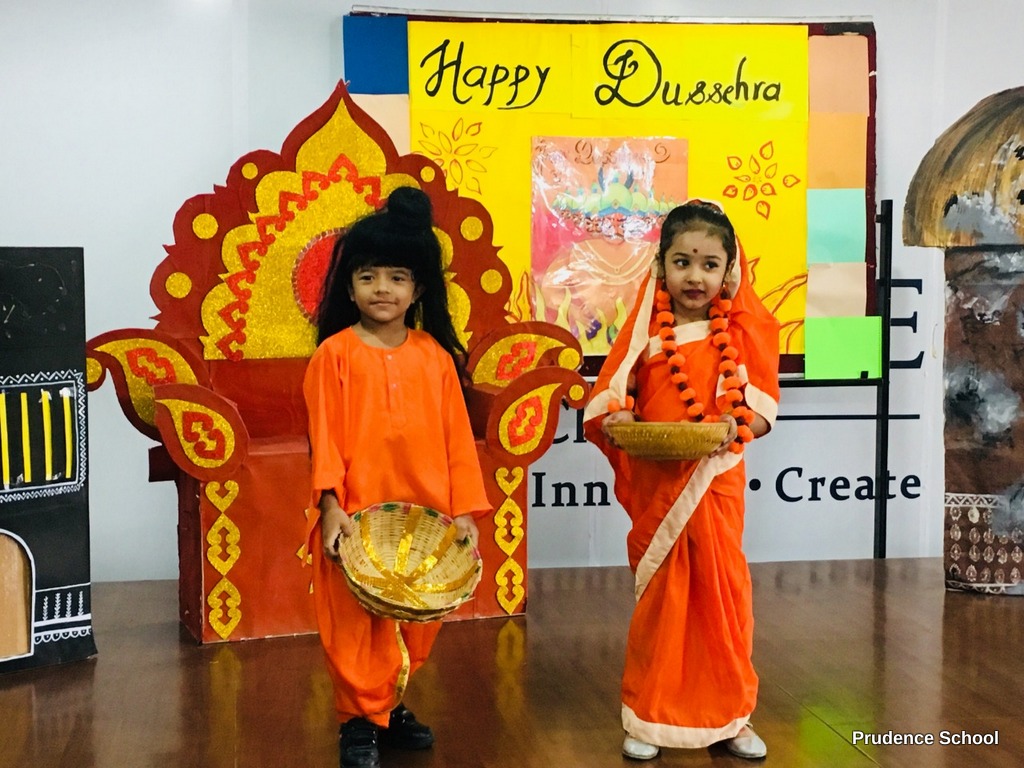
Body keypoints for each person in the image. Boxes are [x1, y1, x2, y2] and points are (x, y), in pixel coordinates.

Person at [583, 200, 780, 761]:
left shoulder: (740, 331)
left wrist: (737, 427)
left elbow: (761, 411)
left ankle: (731, 716)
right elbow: (613, 396)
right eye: (683, 262)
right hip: (661, 484)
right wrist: (620, 416)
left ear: (729, 270)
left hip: (717, 481)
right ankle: (649, 717)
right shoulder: (647, 331)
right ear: (660, 266)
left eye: (710, 264)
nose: (696, 276)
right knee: (664, 601)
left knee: (724, 596)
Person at [303, 186, 490, 768]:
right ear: (348, 287)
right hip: (357, 515)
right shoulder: (334, 356)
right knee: (356, 624)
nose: (381, 289)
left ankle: (386, 705)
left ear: (419, 289)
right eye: (367, 277)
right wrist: (330, 506)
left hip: (426, 518)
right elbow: (324, 440)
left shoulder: (435, 357)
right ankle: (358, 720)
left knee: (414, 620)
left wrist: (464, 511)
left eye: (397, 277)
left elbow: (458, 440)